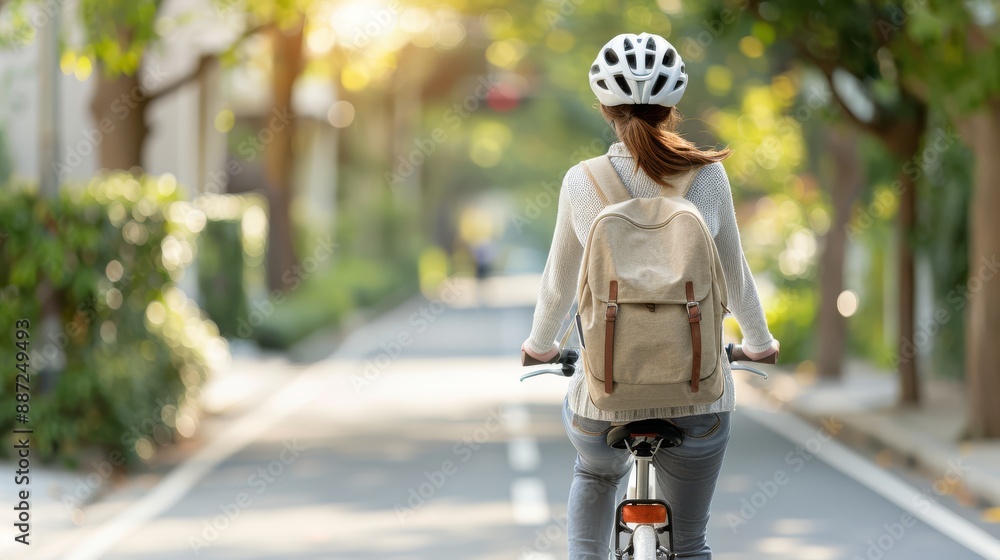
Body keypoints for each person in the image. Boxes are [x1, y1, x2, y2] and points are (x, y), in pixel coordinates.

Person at [520, 32, 779, 559]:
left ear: (604, 108)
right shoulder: (708, 176)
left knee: (594, 472)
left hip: (604, 398)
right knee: (690, 542)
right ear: (672, 107)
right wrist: (759, 342)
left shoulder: (580, 182)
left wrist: (540, 346)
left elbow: (559, 285)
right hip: (699, 397)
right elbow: (735, 276)